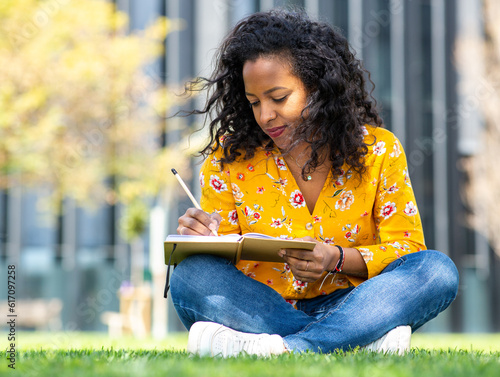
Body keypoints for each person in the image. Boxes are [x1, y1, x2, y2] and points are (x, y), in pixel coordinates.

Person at [169, 9, 459, 357]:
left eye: (278, 98)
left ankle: (286, 347)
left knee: (436, 270)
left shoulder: (378, 150)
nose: (265, 115)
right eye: (254, 102)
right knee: (190, 275)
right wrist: (203, 239)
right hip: (264, 306)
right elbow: (224, 260)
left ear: (319, 87)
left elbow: (407, 250)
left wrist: (336, 258)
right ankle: (352, 342)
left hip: (354, 303)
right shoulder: (229, 159)